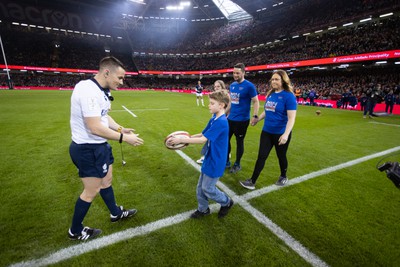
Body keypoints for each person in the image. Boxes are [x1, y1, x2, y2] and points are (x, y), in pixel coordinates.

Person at [68, 56, 144, 241]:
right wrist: (125, 138)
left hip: (99, 146)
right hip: (87, 149)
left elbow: (103, 117)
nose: (122, 82)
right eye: (120, 78)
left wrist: (120, 128)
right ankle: (75, 231)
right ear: (106, 72)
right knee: (91, 191)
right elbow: (95, 127)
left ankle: (115, 213)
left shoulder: (101, 90)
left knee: (107, 181)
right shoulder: (87, 90)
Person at [168, 90, 234, 219]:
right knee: (200, 187)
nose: (209, 105)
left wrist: (182, 140)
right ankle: (203, 209)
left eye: (212, 103)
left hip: (216, 160)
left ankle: (226, 202)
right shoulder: (214, 118)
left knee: (208, 188)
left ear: (221, 105)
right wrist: (187, 137)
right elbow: (203, 134)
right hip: (210, 157)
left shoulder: (221, 122)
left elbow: (203, 140)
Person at [240, 70, 297, 190]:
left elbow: (291, 118)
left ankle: (283, 176)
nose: (274, 81)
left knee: (281, 156)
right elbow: (267, 110)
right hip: (267, 132)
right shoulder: (271, 94)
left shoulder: (289, 96)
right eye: (273, 79)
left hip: (281, 133)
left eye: (277, 79)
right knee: (261, 156)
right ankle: (252, 181)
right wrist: (257, 119)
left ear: (283, 80)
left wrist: (286, 134)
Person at [227, 63, 260, 174]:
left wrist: (255, 116)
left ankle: (237, 163)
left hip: (242, 120)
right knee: (225, 140)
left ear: (243, 73)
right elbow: (231, 102)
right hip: (230, 119)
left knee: (239, 142)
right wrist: (223, 114)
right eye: (234, 73)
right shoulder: (232, 85)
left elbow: (256, 101)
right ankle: (226, 161)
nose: (235, 75)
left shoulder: (249, 86)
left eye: (237, 73)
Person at [196, 80, 230, 164]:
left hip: (220, 119)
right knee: (211, 139)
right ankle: (208, 156)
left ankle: (208, 157)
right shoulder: (216, 98)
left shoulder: (225, 98)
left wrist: (184, 139)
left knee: (213, 140)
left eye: (218, 86)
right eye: (215, 86)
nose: (216, 88)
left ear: (222, 87)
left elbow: (202, 139)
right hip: (216, 118)